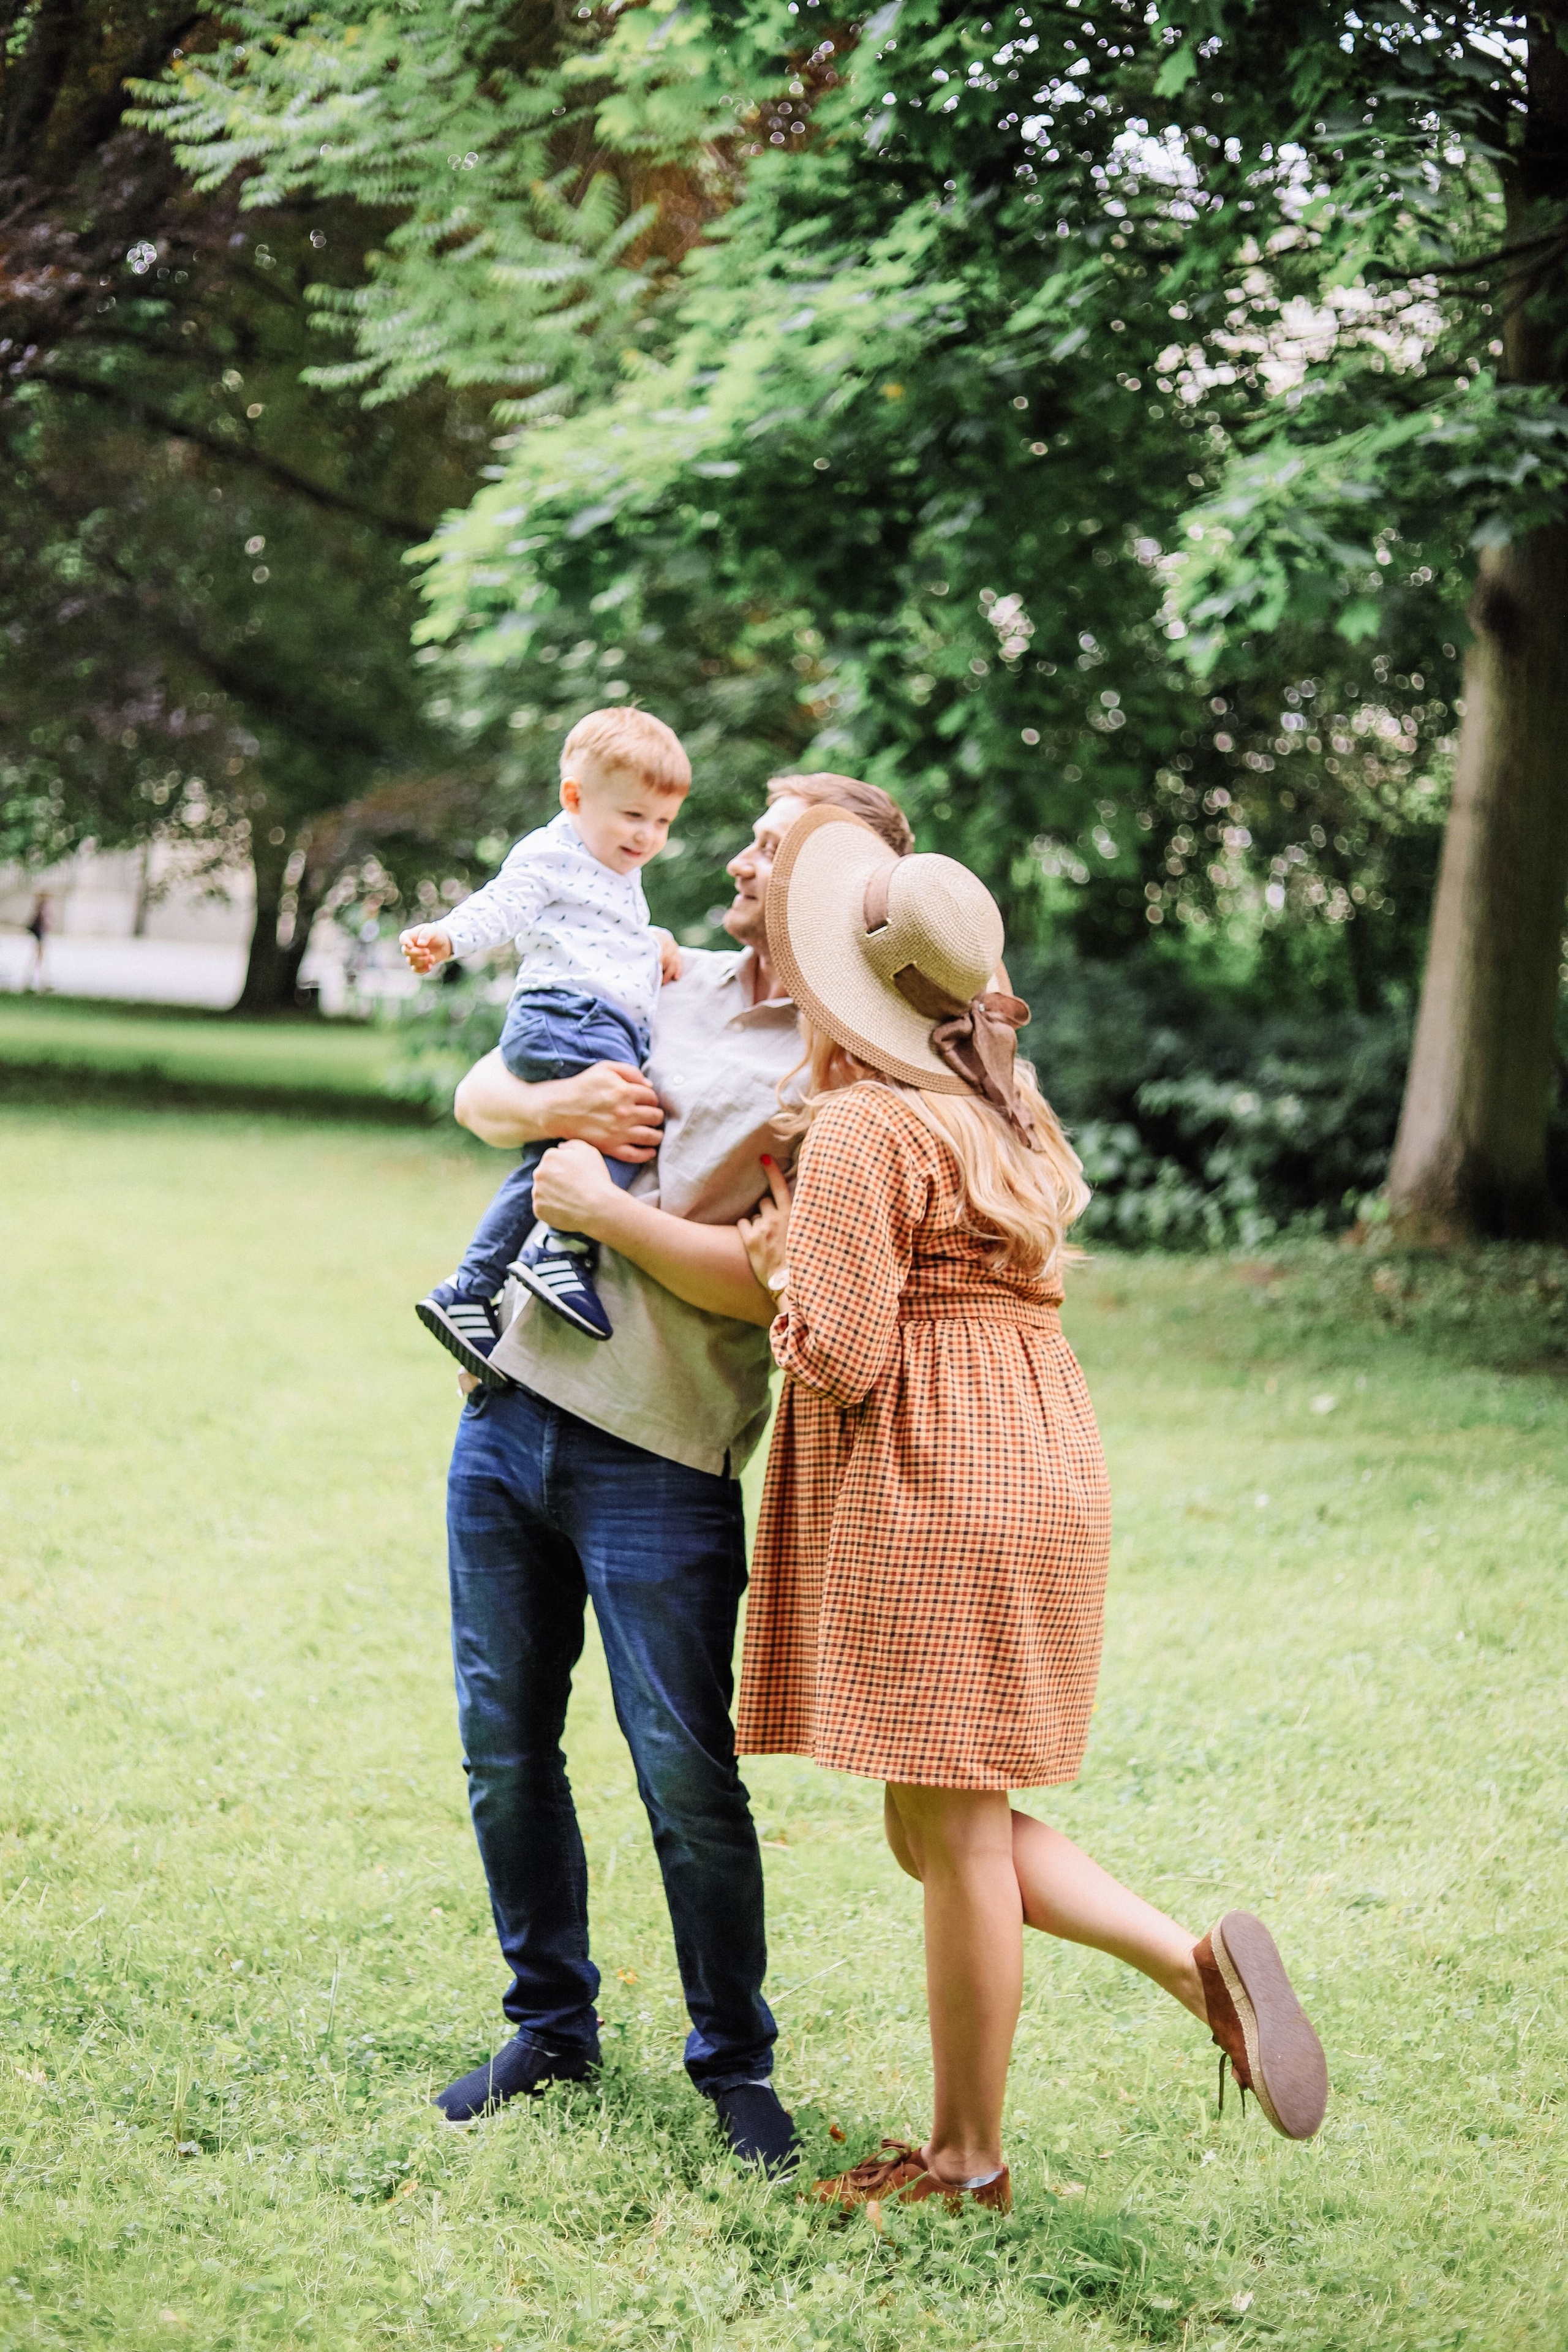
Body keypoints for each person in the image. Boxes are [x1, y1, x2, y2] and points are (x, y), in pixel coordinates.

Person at [733, 805, 1328, 2216]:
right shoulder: (999, 1104)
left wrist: (779, 1284)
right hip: (1038, 1459)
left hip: (935, 1480)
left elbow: (849, 1351)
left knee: (952, 1846)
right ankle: (1200, 1976)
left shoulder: (861, 1128)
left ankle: (962, 2160)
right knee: (941, 1828)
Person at [429, 768, 915, 2177]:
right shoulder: (663, 970)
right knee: (503, 1747)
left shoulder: (844, 1066)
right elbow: (483, 1086)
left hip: (661, 1456)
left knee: (683, 1777)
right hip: (508, 1408)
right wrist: (545, 1114)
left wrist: (597, 1211)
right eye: (759, 835)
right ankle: (551, 2025)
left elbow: (777, 1291)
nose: (743, 858)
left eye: (778, 845)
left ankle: (733, 2060)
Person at [399, 707, 690, 1360]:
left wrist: (652, 944)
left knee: (548, 1163)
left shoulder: (614, 867)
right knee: (631, 1124)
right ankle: (563, 1249)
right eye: (634, 816)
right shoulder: (553, 852)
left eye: (663, 822)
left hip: (582, 1016)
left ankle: (469, 1290)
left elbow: (597, 937)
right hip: (570, 1017)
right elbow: (503, 905)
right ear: (574, 796)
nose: (647, 836)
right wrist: (446, 937)